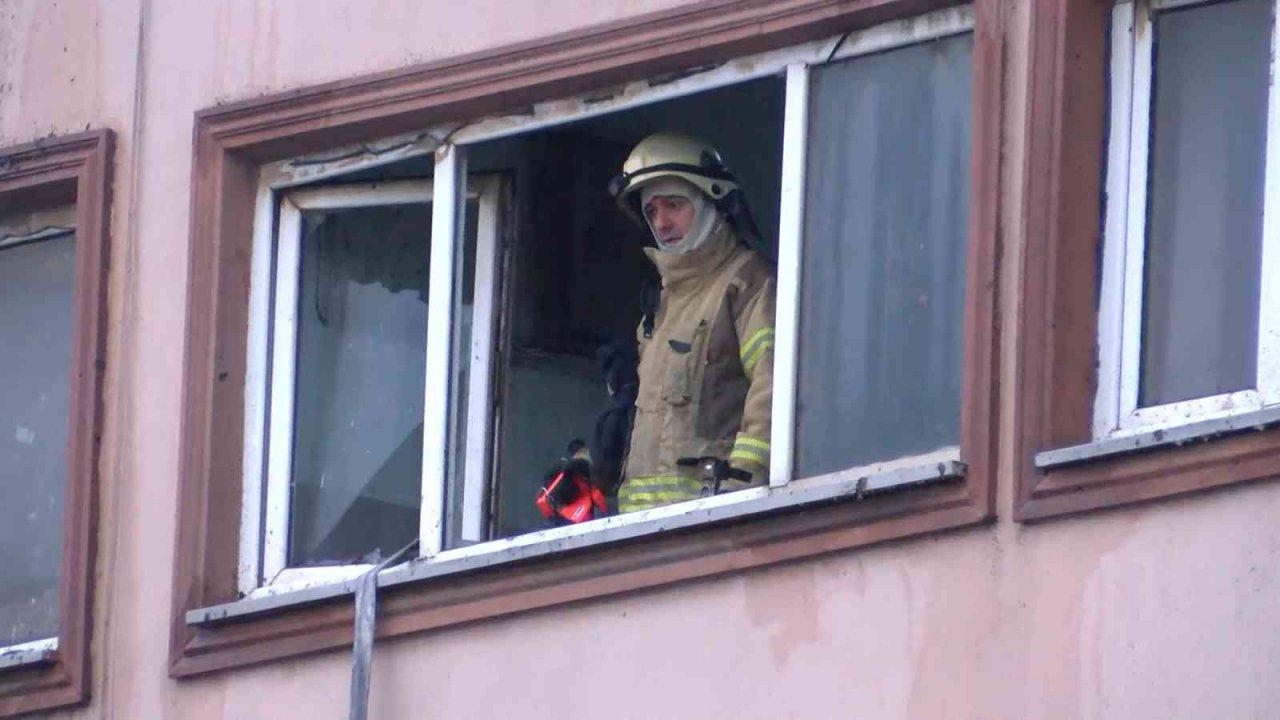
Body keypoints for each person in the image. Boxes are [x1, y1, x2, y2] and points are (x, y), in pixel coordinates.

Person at [605, 133, 776, 513]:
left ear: (709, 202)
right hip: (640, 538)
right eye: (651, 211)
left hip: (715, 526)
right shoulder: (659, 303)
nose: (662, 222)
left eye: (674, 205)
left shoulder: (746, 282)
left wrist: (741, 488)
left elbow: (772, 389)